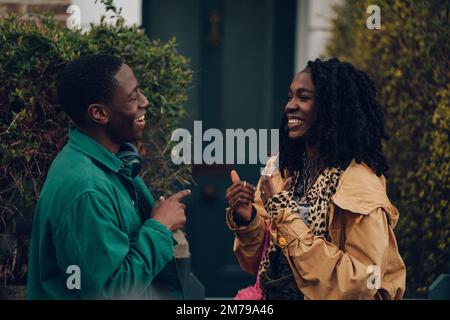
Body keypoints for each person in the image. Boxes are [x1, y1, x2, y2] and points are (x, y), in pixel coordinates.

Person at [226, 58, 406, 300]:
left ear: (332, 108)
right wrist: (248, 219)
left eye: (303, 97)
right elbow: (258, 264)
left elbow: (361, 284)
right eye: (290, 97)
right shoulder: (283, 171)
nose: (290, 106)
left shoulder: (359, 184)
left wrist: (285, 214)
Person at [27, 54, 190, 299]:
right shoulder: (87, 190)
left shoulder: (110, 163)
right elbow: (111, 292)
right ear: (99, 113)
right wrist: (160, 227)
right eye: (133, 97)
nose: (144, 101)